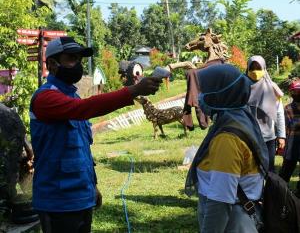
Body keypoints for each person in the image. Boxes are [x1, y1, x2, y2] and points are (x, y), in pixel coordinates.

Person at [29, 37, 162, 233]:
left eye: (79, 59)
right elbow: (85, 108)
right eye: (72, 58)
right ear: (52, 64)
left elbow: (82, 148)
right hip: (57, 200)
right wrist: (133, 91)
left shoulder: (72, 96)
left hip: (82, 195)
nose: (78, 65)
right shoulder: (44, 97)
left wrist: (93, 185)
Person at [185, 64, 269, 232]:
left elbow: (220, 202)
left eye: (204, 90)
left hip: (232, 223)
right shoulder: (241, 117)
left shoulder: (227, 139)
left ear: (221, 94)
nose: (200, 96)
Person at [246, 55, 286, 172]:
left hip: (268, 137)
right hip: (247, 136)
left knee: (269, 170)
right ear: (247, 68)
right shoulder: (242, 87)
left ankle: (269, 190)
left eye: (258, 68)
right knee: (249, 170)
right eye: (252, 68)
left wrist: (281, 136)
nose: (255, 72)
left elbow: (279, 113)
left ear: (264, 69)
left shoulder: (272, 88)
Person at [279, 79, 300, 198]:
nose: (297, 94)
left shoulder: (287, 109)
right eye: (295, 92)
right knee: (286, 170)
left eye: (298, 92)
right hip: (291, 144)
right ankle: (281, 192)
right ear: (291, 93)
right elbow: (289, 125)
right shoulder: (287, 108)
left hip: (294, 141)